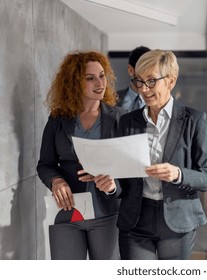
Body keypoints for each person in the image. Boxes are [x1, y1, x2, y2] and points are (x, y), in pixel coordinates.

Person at [104, 49, 207, 260]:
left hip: (178, 222)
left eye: (151, 81)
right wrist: (111, 187)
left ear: (171, 81)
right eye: (139, 82)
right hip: (136, 220)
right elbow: (121, 181)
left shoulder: (194, 120)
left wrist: (178, 174)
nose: (144, 89)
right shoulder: (127, 122)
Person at [36, 50, 125, 260]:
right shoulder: (58, 119)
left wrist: (113, 186)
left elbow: (131, 171)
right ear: (75, 82)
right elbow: (44, 164)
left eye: (102, 76)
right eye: (90, 78)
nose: (100, 83)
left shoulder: (120, 118)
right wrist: (56, 180)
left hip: (108, 215)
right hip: (67, 212)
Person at [116, 46, 150, 111]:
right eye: (143, 69)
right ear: (130, 70)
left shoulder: (158, 100)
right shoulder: (112, 99)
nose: (148, 74)